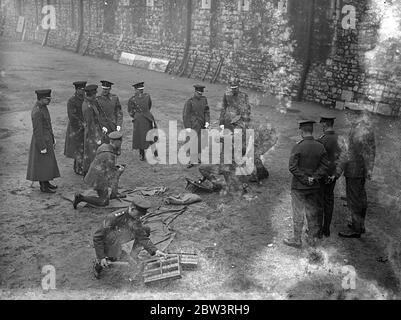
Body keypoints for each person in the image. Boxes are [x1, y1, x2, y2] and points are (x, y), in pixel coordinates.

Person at [92, 197, 168, 279]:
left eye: (140, 216)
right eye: (138, 215)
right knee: (113, 254)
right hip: (108, 241)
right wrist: (101, 257)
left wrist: (155, 251)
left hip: (120, 237)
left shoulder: (135, 218)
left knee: (145, 230)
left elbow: (141, 237)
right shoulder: (113, 218)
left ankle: (133, 256)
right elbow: (97, 237)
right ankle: (98, 263)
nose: (139, 218)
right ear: (132, 209)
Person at [284, 120, 329, 249]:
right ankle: (312, 240)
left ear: (302, 131)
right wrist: (314, 178)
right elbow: (325, 166)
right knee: (312, 212)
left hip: (299, 186)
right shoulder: (320, 146)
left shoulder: (298, 146)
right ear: (312, 130)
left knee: (298, 212)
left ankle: (297, 239)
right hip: (314, 187)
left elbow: (292, 167)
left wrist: (304, 179)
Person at [336, 109, 376, 238]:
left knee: (354, 200)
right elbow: (371, 150)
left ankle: (356, 228)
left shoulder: (360, 130)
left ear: (355, 115)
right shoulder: (363, 127)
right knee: (359, 198)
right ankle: (359, 225)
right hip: (360, 170)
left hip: (355, 171)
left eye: (349, 114)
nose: (347, 116)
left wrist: (368, 168)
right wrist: (369, 168)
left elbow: (365, 152)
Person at [73, 131, 126, 209]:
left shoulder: (103, 146)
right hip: (99, 180)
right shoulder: (109, 155)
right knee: (104, 201)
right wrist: (119, 171)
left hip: (95, 174)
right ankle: (81, 198)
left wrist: (115, 167)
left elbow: (104, 164)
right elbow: (111, 175)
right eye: (120, 141)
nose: (121, 143)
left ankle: (113, 194)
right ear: (116, 142)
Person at [26, 89, 60, 194]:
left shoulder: (43, 107)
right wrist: (42, 146)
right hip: (41, 141)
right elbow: (37, 131)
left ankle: (46, 182)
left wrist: (52, 137)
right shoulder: (37, 111)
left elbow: (48, 125)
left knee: (47, 164)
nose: (49, 101)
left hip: (47, 139)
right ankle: (43, 187)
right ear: (41, 99)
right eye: (47, 99)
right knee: (42, 165)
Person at [317, 115, 341, 237]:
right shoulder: (339, 138)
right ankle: (326, 229)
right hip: (332, 177)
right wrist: (335, 175)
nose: (322, 127)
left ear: (325, 125)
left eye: (322, 125)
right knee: (329, 201)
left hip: (322, 177)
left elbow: (318, 159)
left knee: (319, 202)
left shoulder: (323, 140)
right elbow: (342, 159)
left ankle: (318, 230)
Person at [82, 84, 110, 174]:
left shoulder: (91, 103)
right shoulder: (87, 106)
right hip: (92, 133)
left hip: (96, 130)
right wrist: (97, 137)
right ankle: (89, 173)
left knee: (94, 153)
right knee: (91, 154)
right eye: (94, 94)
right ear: (92, 94)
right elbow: (90, 123)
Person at [128, 82, 158, 161]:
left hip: (138, 119)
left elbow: (130, 111)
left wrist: (136, 115)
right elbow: (149, 106)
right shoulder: (147, 96)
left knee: (140, 137)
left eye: (136, 90)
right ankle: (155, 153)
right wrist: (145, 113)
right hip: (147, 117)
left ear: (136, 90)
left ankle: (142, 155)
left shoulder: (132, 99)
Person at [183, 84, 210, 168]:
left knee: (199, 143)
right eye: (198, 93)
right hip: (193, 125)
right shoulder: (190, 101)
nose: (200, 95)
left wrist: (207, 122)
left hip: (202, 125)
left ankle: (196, 158)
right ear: (195, 92)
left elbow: (207, 111)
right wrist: (187, 126)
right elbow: (186, 115)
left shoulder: (204, 100)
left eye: (201, 93)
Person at [64, 81, 87, 176]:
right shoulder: (72, 101)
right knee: (78, 148)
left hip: (84, 126)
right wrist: (82, 124)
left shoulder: (85, 99)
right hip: (75, 128)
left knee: (83, 147)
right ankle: (78, 168)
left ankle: (81, 166)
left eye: (84, 89)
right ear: (77, 90)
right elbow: (72, 116)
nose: (83, 91)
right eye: (81, 89)